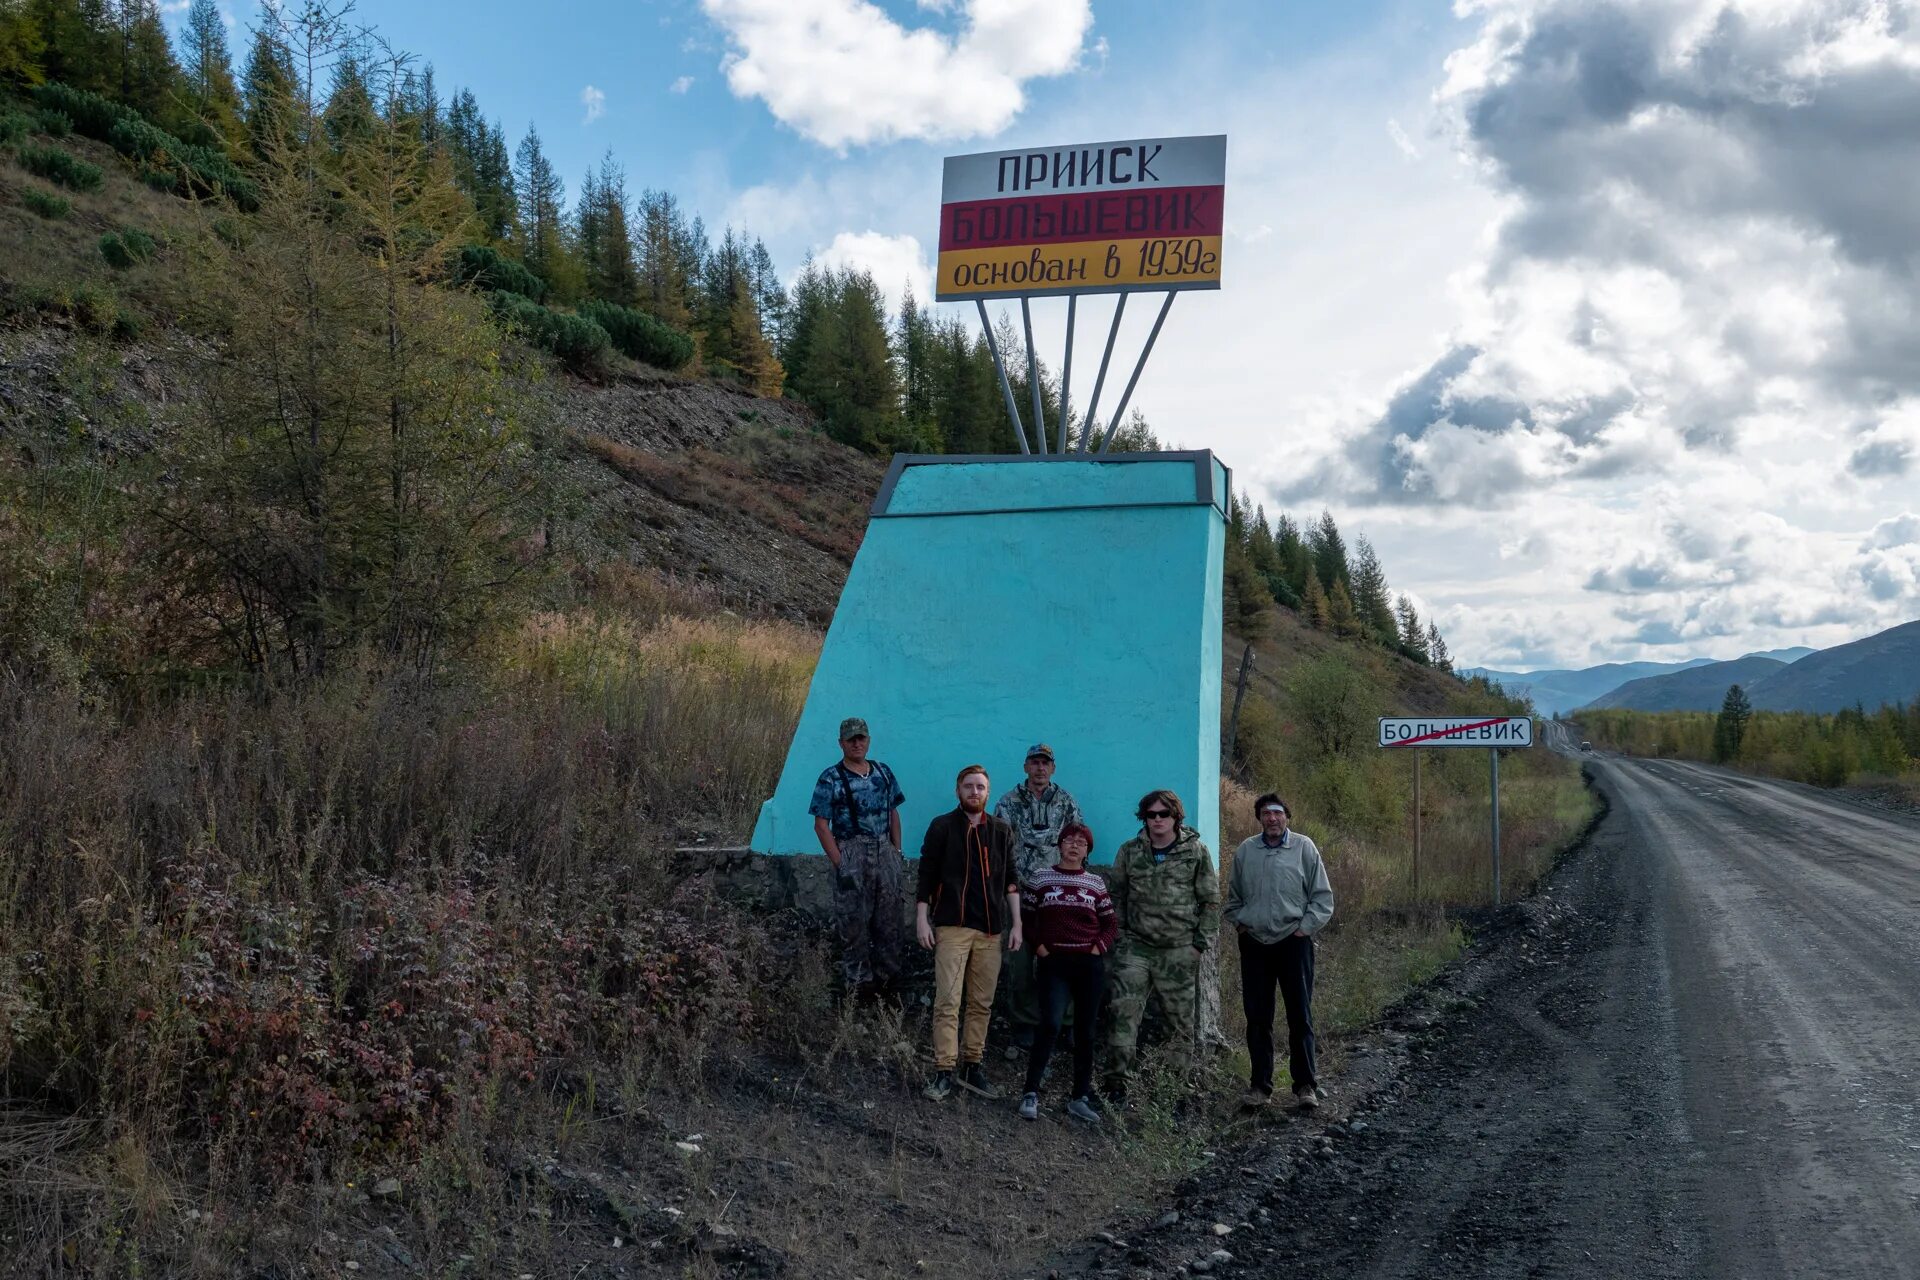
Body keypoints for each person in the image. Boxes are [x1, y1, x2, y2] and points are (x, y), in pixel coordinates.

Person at [916, 765, 1023, 1102]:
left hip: (990, 931)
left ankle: (972, 1065)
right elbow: (926, 874)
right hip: (952, 927)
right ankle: (944, 1070)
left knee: (982, 1003)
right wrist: (922, 918)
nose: (974, 792)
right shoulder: (942, 827)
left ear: (988, 792)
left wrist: (1016, 924)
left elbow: (1010, 879)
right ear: (958, 790)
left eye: (980, 787)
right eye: (968, 786)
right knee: (948, 1000)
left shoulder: (1001, 831)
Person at [1104, 789, 1220, 1094]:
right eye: (1151, 815)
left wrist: (1199, 945)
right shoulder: (1130, 851)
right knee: (1122, 1014)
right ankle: (1117, 1084)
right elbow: (1117, 895)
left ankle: (1171, 1090)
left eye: (1163, 814)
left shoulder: (1196, 852)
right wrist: (1121, 935)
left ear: (1175, 817)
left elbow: (1210, 901)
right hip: (1136, 949)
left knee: (1180, 1024)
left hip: (1178, 950)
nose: (1157, 820)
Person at [1224, 793, 1334, 1111]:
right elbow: (1233, 896)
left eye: (1277, 813)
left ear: (1287, 816)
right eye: (1265, 813)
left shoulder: (1304, 847)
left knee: (1300, 1015)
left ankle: (1305, 1087)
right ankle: (1260, 1087)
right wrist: (1242, 925)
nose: (1272, 819)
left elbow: (1322, 896)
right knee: (1258, 1017)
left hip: (1293, 941)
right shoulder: (1247, 850)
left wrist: (1305, 928)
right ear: (1259, 818)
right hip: (1255, 943)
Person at [992, 744, 1086, 1057]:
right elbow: (997, 846)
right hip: (1021, 896)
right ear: (1025, 766)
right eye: (1035, 762)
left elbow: (1078, 843)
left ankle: (1067, 1022)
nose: (1040, 769)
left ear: (1053, 768)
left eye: (1045, 763)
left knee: (1066, 960)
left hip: (1058, 898)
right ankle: (1024, 1021)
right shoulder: (1008, 802)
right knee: (1020, 961)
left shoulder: (1066, 802)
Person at [1017, 822, 1115, 1124]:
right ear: (1060, 846)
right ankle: (1030, 1093)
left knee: (1085, 1032)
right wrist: (1041, 948)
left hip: (1088, 964)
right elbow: (1027, 918)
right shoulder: (1041, 879)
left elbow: (1110, 923)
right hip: (1054, 962)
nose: (1074, 846)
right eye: (1069, 841)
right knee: (1050, 1023)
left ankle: (1079, 1097)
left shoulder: (1095, 883)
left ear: (1087, 851)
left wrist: (1099, 947)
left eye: (1081, 843)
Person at [809, 717, 907, 998]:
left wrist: (896, 852)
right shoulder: (830, 777)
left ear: (868, 740)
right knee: (853, 923)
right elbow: (821, 825)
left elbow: (893, 812)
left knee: (890, 920)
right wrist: (841, 863)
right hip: (851, 849)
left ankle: (889, 983)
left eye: (861, 738)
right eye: (851, 739)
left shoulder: (883, 772)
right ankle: (859, 987)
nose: (857, 743)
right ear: (841, 743)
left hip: (884, 850)